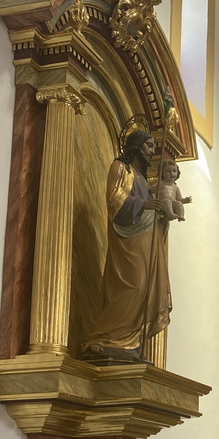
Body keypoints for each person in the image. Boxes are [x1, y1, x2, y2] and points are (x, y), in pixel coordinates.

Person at [81, 128, 171, 363]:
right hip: (128, 240)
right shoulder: (121, 168)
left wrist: (162, 215)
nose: (153, 151)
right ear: (137, 146)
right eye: (150, 146)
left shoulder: (142, 178)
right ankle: (104, 337)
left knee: (144, 289)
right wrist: (146, 205)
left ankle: (129, 341)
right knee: (131, 285)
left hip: (146, 237)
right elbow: (115, 201)